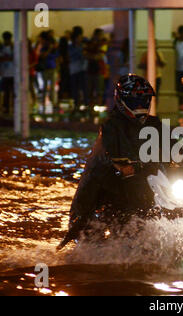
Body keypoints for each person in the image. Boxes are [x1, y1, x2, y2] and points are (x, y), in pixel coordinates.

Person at [58, 74, 165, 250]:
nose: (140, 105)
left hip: (142, 185)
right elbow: (108, 153)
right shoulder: (110, 125)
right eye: (135, 101)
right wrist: (120, 167)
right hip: (108, 189)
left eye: (144, 100)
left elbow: (172, 146)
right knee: (90, 229)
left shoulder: (155, 124)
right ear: (122, 100)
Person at [68, 32, 89, 114]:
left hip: (82, 69)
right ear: (75, 38)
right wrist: (81, 51)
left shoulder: (82, 46)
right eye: (79, 37)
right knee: (75, 88)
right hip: (74, 69)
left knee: (84, 87)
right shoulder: (71, 47)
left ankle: (85, 104)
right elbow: (72, 55)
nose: (80, 39)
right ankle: (76, 104)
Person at [0, 31, 14, 114]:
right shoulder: (2, 47)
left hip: (12, 73)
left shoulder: (13, 47)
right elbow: (0, 58)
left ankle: (11, 106)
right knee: (5, 91)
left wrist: (6, 58)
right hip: (4, 73)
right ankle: (6, 106)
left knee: (11, 91)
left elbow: (13, 58)